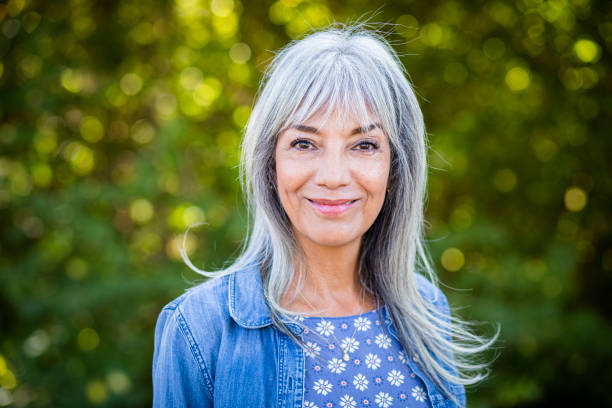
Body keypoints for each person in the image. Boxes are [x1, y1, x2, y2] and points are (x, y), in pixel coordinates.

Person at [152, 23, 498, 408]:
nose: (333, 177)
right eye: (304, 143)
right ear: (271, 163)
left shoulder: (428, 309)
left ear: (395, 168)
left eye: (364, 145)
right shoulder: (200, 327)